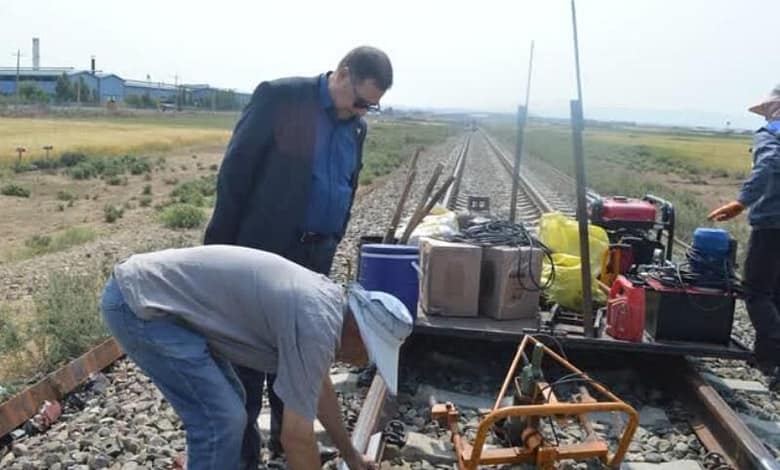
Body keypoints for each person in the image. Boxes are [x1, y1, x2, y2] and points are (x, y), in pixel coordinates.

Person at [202, 45, 392, 466]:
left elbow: (346, 185)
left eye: (371, 107)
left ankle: (287, 441)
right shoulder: (281, 98)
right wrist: (218, 254)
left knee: (297, 354)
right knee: (248, 356)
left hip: (315, 256)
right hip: (264, 251)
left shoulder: (356, 128)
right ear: (342, 74)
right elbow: (235, 174)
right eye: (360, 101)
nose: (362, 111)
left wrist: (334, 237)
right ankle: (243, 455)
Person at [100, 244, 413, 470]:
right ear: (358, 334)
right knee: (221, 420)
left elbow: (319, 390)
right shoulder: (317, 324)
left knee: (230, 407)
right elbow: (296, 438)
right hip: (141, 305)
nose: (365, 363)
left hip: (157, 299)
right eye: (371, 354)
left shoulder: (328, 309)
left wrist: (351, 455)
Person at [708, 84, 780, 387]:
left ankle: (775, 355)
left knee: (756, 291)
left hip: (773, 224)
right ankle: (766, 357)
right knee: (775, 292)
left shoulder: (771, 133)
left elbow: (769, 165)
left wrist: (741, 202)